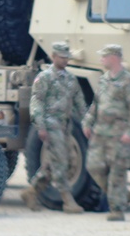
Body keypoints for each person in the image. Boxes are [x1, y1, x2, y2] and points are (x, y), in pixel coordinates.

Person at [22, 42, 86, 213]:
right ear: (53, 56)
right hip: (50, 123)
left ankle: (32, 191)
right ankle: (67, 200)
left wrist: (86, 122)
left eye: (67, 57)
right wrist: (40, 126)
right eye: (62, 57)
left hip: (65, 125)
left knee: (56, 161)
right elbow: (36, 102)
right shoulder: (44, 78)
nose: (65, 60)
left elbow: (79, 102)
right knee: (61, 161)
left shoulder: (70, 78)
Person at [83, 44, 130, 221]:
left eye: (104, 56)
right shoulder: (103, 80)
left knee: (117, 171)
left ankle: (117, 209)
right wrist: (88, 122)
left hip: (120, 133)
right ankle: (123, 195)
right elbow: (96, 104)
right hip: (101, 131)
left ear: (114, 58)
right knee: (93, 166)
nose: (101, 59)